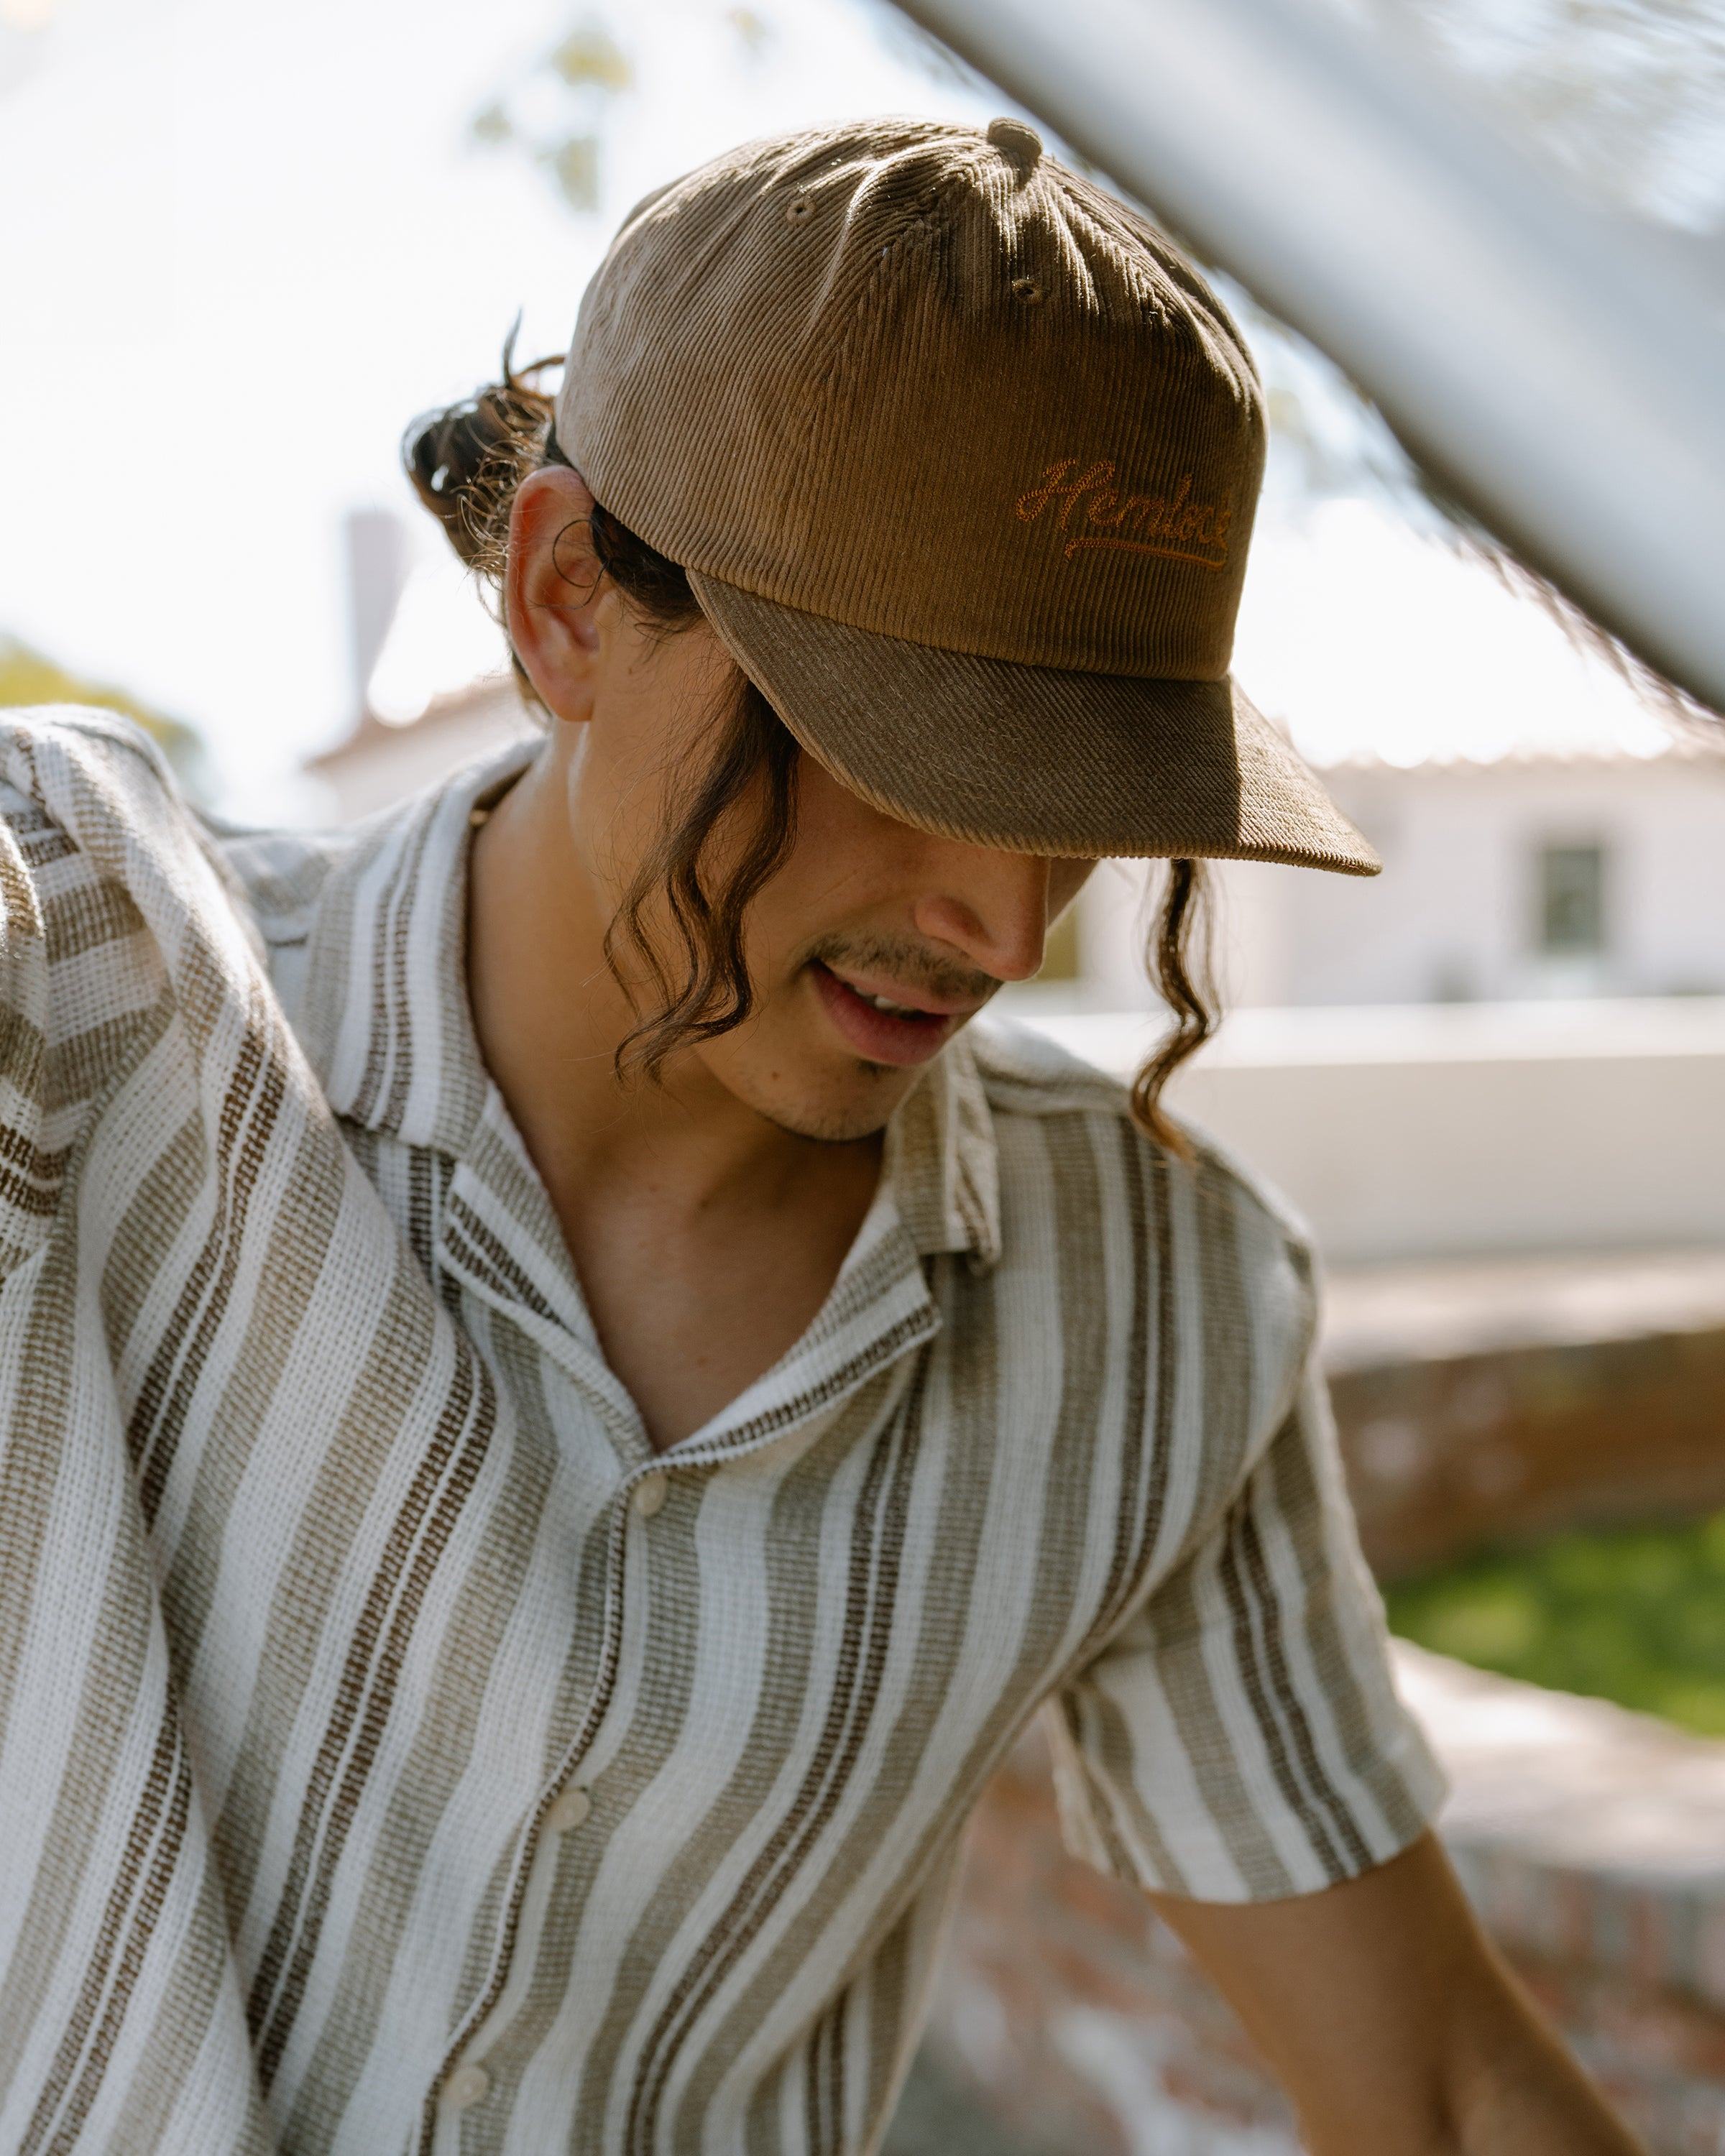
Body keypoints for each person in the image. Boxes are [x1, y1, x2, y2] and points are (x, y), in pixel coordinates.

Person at [0, 116, 1642, 2156]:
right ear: (566, 597)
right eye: (901, 754)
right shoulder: (87, 997)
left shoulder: (1156, 1298)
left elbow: (1433, 2091)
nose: (1001, 923)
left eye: (1078, 792)